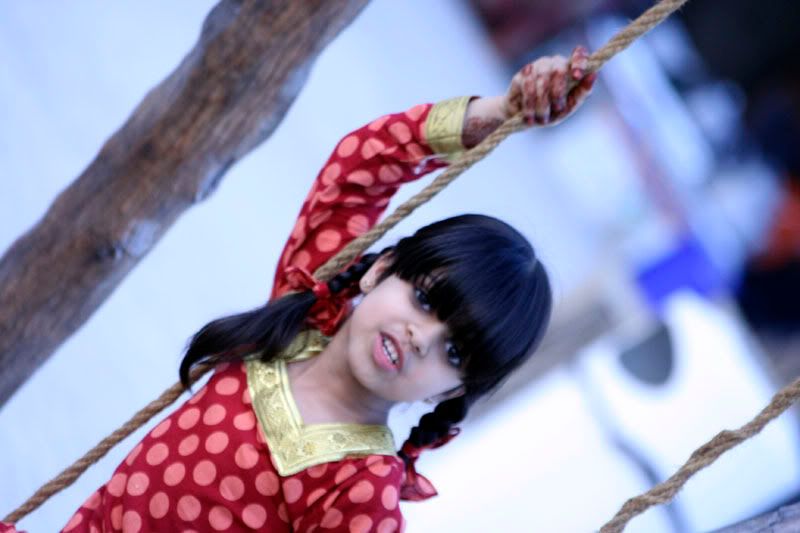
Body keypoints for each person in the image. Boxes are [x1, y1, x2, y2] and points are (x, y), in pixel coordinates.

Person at [2, 48, 595, 533]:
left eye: (455, 351)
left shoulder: (361, 493)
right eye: (424, 300)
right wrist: (498, 111)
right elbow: (360, 168)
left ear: (453, 391)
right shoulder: (300, 316)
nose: (421, 337)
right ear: (380, 268)